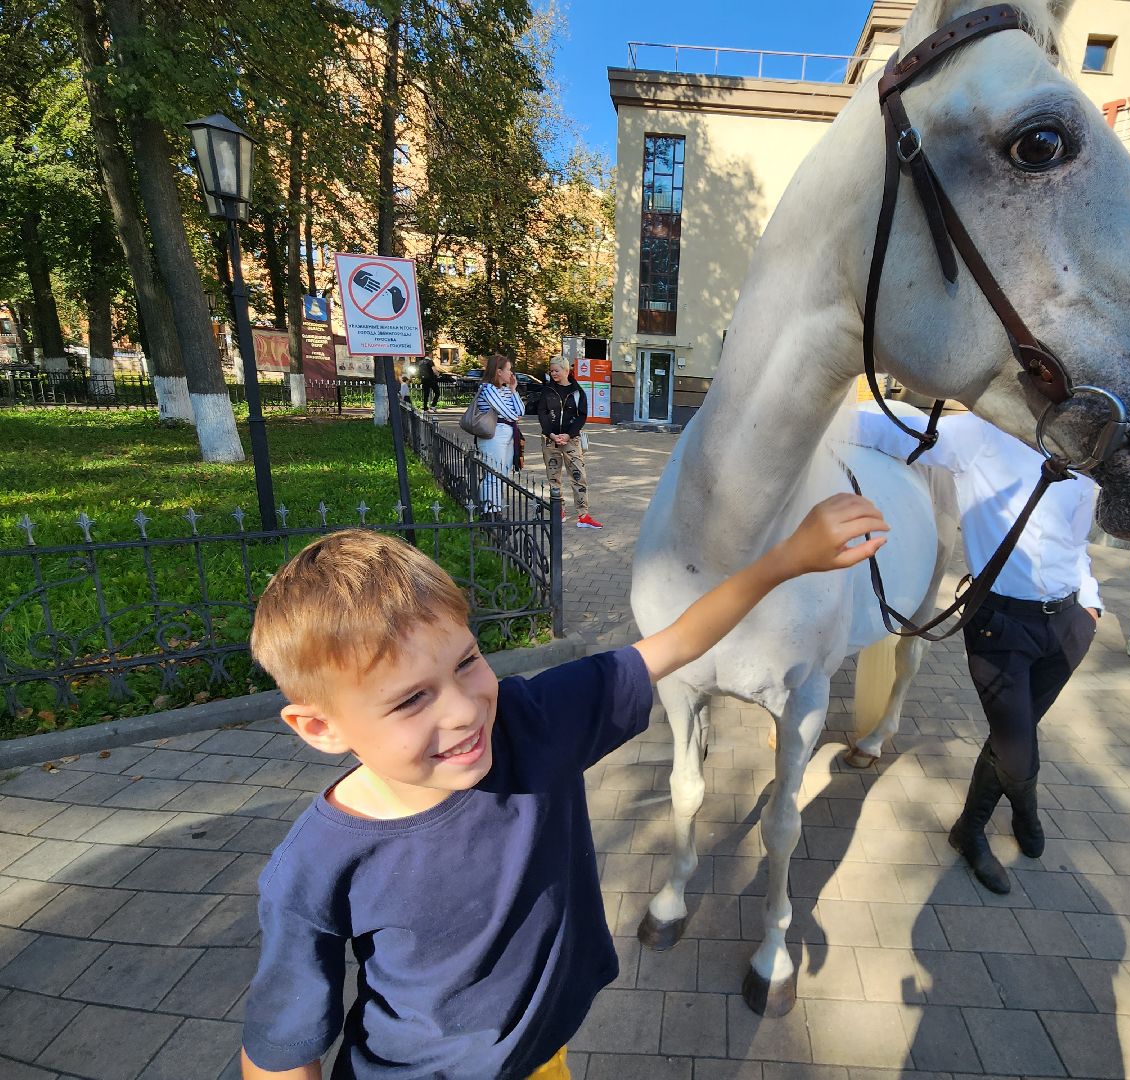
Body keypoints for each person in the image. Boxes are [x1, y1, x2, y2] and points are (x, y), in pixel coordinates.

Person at [239, 495, 888, 1079]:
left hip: (542, 1057)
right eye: (411, 700)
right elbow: (280, 1048)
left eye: (467, 661)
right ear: (319, 727)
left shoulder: (530, 721)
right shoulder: (314, 869)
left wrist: (785, 561)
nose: (464, 710)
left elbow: (678, 641)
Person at [852, 406, 1102, 896]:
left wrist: (1090, 604)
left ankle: (971, 826)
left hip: (1069, 624)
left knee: (1017, 735)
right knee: (1016, 749)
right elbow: (875, 427)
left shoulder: (1085, 453)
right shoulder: (981, 435)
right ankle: (1024, 811)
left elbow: (1077, 544)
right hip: (1000, 624)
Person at [539, 356, 600, 529]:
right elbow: (542, 413)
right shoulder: (547, 390)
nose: (553, 374)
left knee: (578, 475)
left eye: (556, 370)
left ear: (566, 371)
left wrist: (569, 434)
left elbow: (582, 415)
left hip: (571, 440)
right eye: (551, 371)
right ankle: (559, 511)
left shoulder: (578, 392)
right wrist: (550, 434)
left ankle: (583, 514)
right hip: (550, 440)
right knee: (553, 477)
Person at [473, 353, 527, 515]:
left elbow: (520, 411)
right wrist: (513, 416)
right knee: (493, 474)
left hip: (508, 434)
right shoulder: (487, 388)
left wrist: (513, 390)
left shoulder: (504, 390)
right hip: (494, 435)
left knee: (501, 475)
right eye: (508, 370)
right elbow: (504, 411)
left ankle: (493, 509)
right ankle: (489, 511)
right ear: (498, 371)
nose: (511, 373)